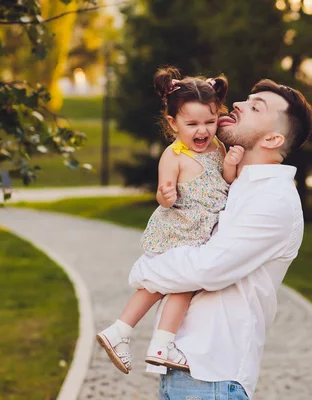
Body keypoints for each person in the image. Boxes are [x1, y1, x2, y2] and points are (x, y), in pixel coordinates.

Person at [129, 79, 312, 399]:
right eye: (247, 99)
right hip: (188, 370)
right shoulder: (235, 183)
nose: (239, 105)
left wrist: (145, 272)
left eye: (257, 107)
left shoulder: (273, 199)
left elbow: (207, 269)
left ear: (273, 138)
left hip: (213, 378)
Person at [96, 66, 245, 374]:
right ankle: (158, 344)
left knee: (164, 285)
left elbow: (226, 181)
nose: (202, 130)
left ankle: (123, 333)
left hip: (200, 233)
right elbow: (162, 195)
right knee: (180, 284)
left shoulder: (218, 148)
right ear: (173, 123)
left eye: (210, 121)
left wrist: (231, 165)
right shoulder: (174, 156)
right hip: (181, 232)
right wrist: (166, 195)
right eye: (192, 123)